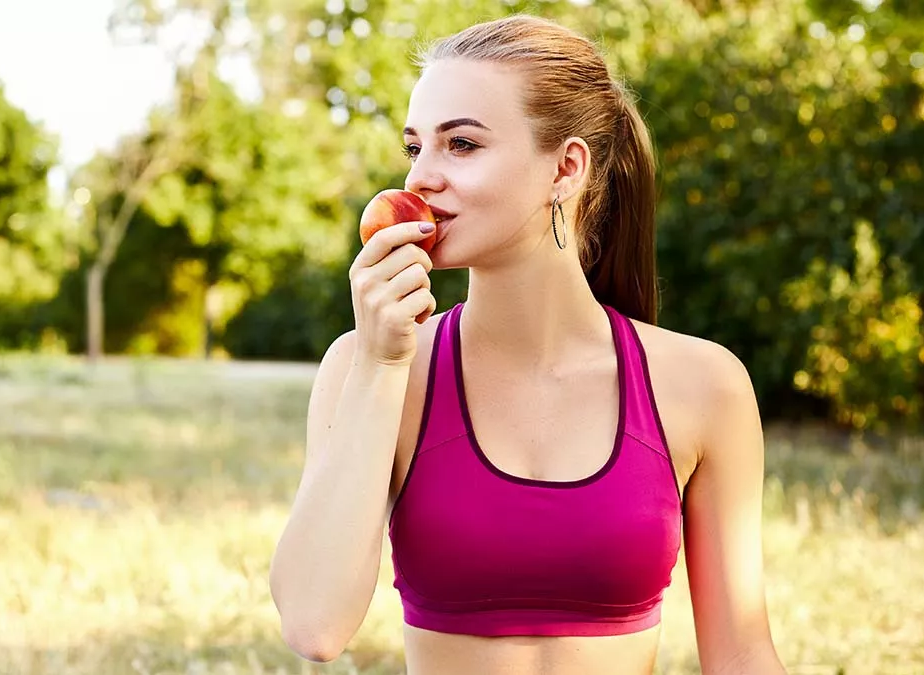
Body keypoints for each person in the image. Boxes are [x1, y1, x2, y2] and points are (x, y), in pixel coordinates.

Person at [270, 14, 786, 675]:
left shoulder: (705, 384)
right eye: (414, 148)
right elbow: (314, 626)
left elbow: (742, 653)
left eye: (460, 145)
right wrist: (382, 360)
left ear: (566, 167)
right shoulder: (366, 366)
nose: (419, 179)